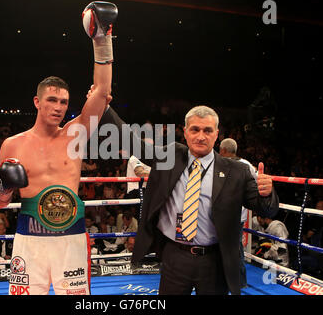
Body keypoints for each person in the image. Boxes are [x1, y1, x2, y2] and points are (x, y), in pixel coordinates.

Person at [0, 1, 117, 295]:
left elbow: (102, 93)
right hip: (28, 238)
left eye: (63, 102)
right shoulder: (13, 144)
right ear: (37, 102)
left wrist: (102, 39)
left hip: (70, 238)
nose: (58, 107)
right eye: (51, 100)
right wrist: (4, 187)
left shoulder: (76, 134)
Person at [99, 104, 279, 295]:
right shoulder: (171, 156)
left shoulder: (236, 171)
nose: (201, 136)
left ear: (216, 134)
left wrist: (267, 193)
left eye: (207, 130)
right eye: (195, 129)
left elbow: (266, 210)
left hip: (214, 261)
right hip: (175, 256)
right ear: (185, 132)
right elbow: (133, 143)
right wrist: (104, 107)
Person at [219, 137, 257, 289]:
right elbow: (257, 182)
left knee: (226, 248)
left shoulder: (219, 163)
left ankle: (234, 281)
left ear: (223, 150)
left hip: (223, 214)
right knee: (236, 248)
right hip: (238, 215)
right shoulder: (247, 165)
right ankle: (239, 282)